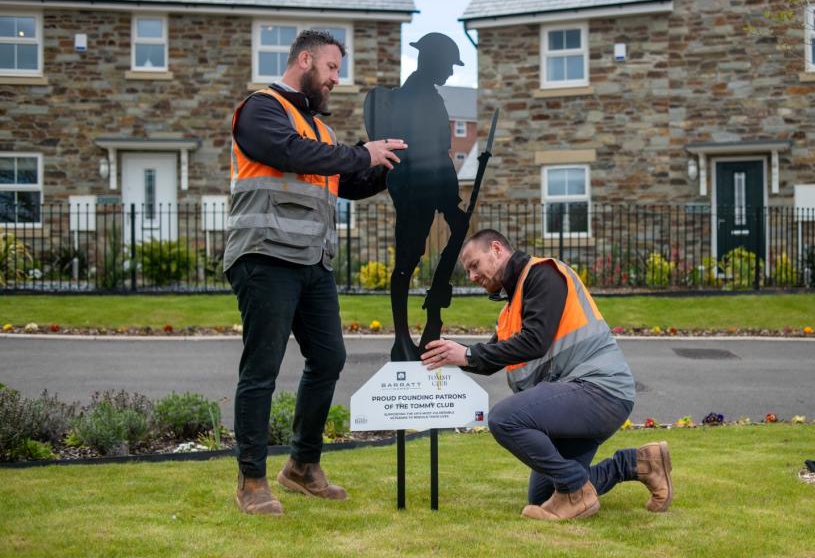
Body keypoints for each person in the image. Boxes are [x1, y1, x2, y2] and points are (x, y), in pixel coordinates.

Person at [224, 29, 406, 516]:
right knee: (261, 369)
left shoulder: (320, 132)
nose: (334, 80)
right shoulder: (261, 109)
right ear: (304, 59)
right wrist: (361, 151)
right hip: (264, 257)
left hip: (311, 262)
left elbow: (346, 178)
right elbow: (290, 154)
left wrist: (389, 166)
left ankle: (302, 467)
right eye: (330, 68)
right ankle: (251, 480)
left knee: (328, 358)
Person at [421, 230, 673, 521]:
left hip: (599, 392)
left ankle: (576, 489)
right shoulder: (511, 309)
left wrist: (467, 354)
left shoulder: (543, 274)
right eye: (468, 272)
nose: (472, 276)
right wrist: (450, 354)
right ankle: (639, 464)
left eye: (475, 265)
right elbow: (489, 359)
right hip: (577, 401)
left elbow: (535, 341)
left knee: (504, 419)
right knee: (543, 499)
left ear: (496, 249)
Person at [363, 32, 470, 361]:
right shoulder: (414, 97)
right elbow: (426, 153)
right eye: (449, 65)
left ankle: (435, 308)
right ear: (432, 59)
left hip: (432, 185)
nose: (451, 72)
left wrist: (450, 201)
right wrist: (448, 199)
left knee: (452, 236)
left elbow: (441, 152)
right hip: (415, 189)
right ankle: (401, 338)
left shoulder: (430, 96)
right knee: (406, 262)